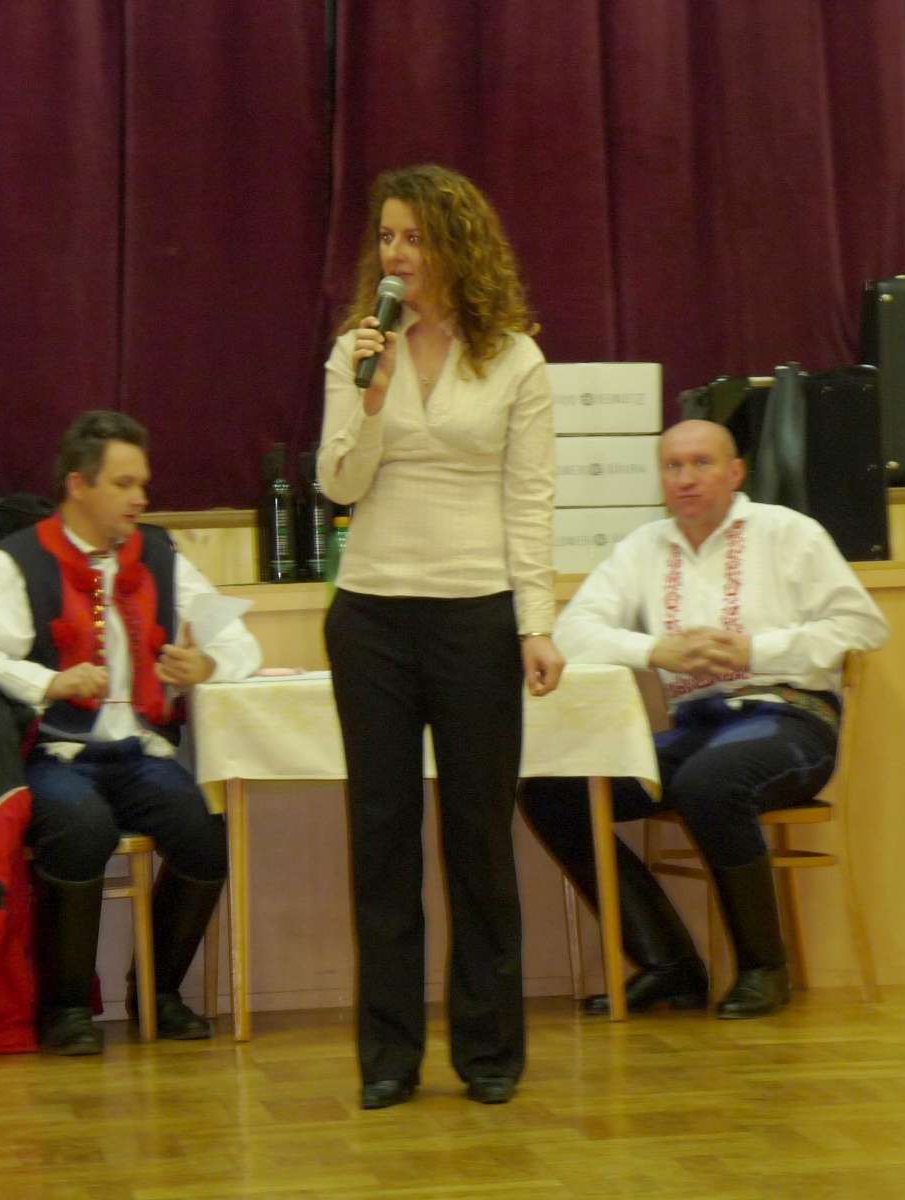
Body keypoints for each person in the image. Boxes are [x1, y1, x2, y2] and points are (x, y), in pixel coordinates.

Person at [319, 164, 564, 1109]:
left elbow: (530, 501)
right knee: (382, 840)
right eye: (387, 237)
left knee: (479, 840)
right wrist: (374, 398)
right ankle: (388, 1057)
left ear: (458, 246)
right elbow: (339, 485)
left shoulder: (516, 361)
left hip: (475, 616)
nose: (397, 254)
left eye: (415, 237)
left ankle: (490, 1051)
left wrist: (535, 624)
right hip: (372, 616)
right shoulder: (356, 352)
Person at [520, 419, 888, 1019]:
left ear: (735, 472)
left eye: (701, 463)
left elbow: (863, 626)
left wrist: (755, 651)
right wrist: (654, 651)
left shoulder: (789, 532)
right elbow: (573, 633)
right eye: (673, 466)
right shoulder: (642, 548)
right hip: (696, 726)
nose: (686, 479)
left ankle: (764, 967)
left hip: (791, 719)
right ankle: (670, 965)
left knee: (709, 783)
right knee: (554, 790)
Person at [0, 410, 261, 1054]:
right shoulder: (18, 561)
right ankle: (66, 1007)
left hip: (140, 752)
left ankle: (158, 993)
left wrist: (207, 665)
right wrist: (46, 682)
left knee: (202, 834)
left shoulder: (161, 555)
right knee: (80, 827)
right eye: (124, 484)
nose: (140, 499)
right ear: (79, 485)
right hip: (55, 753)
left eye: (143, 484)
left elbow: (239, 642)